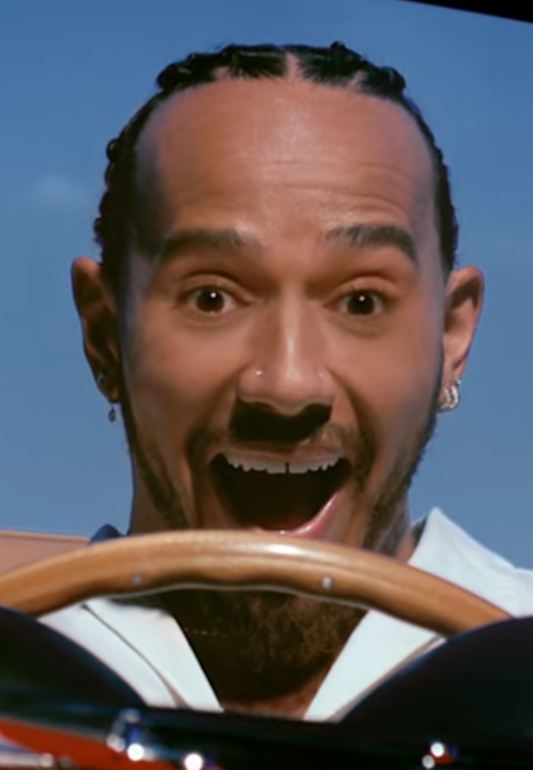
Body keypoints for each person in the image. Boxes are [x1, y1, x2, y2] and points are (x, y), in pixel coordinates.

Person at [41, 42, 533, 721]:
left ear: (450, 336)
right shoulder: (21, 670)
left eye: (361, 301)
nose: (287, 386)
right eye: (212, 298)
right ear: (104, 333)